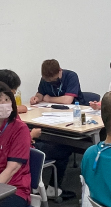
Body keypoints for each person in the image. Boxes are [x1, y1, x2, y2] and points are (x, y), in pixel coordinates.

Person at [30, 59, 81, 198]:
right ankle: (50, 187)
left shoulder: (71, 76)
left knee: (63, 145)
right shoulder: (45, 78)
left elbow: (67, 100)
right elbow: (40, 94)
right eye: (47, 80)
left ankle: (47, 186)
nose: (50, 82)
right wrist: (36, 98)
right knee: (57, 144)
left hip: (73, 116)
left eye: (52, 80)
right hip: (52, 117)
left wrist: (48, 99)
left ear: (59, 71)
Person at [0, 69, 42, 142]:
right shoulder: (5, 113)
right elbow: (12, 141)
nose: (14, 94)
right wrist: (32, 135)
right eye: (13, 92)